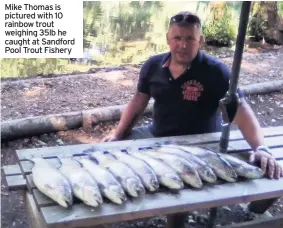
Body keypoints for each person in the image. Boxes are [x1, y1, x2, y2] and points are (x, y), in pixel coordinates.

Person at [103, 11, 283, 179]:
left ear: (201, 40)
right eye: (177, 38)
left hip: (201, 143)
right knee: (111, 155)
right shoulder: (152, 66)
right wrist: (118, 135)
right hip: (157, 135)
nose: (183, 45)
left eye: (190, 38)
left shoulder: (216, 71)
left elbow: (241, 111)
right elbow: (138, 102)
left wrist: (261, 148)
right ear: (168, 39)